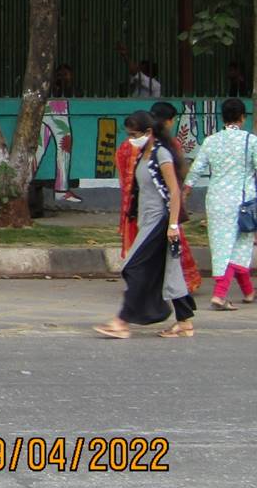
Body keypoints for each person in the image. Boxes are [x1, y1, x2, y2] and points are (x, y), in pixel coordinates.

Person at [95, 110, 196, 339]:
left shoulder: (161, 155)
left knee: (135, 268)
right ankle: (184, 322)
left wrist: (172, 226)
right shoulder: (144, 153)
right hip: (148, 221)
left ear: (148, 132)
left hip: (160, 222)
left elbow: (174, 192)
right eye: (129, 135)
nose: (131, 139)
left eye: (134, 134)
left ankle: (121, 321)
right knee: (170, 272)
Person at [183, 98, 257, 309]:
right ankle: (220, 295)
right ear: (243, 117)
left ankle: (249, 292)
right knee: (239, 248)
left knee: (222, 248)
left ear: (222, 117)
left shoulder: (211, 141)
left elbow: (196, 169)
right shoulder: (249, 141)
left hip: (215, 200)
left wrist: (185, 192)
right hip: (242, 203)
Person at [148, 100, 202, 297]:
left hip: (148, 205)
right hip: (165, 204)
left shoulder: (143, 145)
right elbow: (176, 181)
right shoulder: (168, 146)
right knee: (173, 248)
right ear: (170, 122)